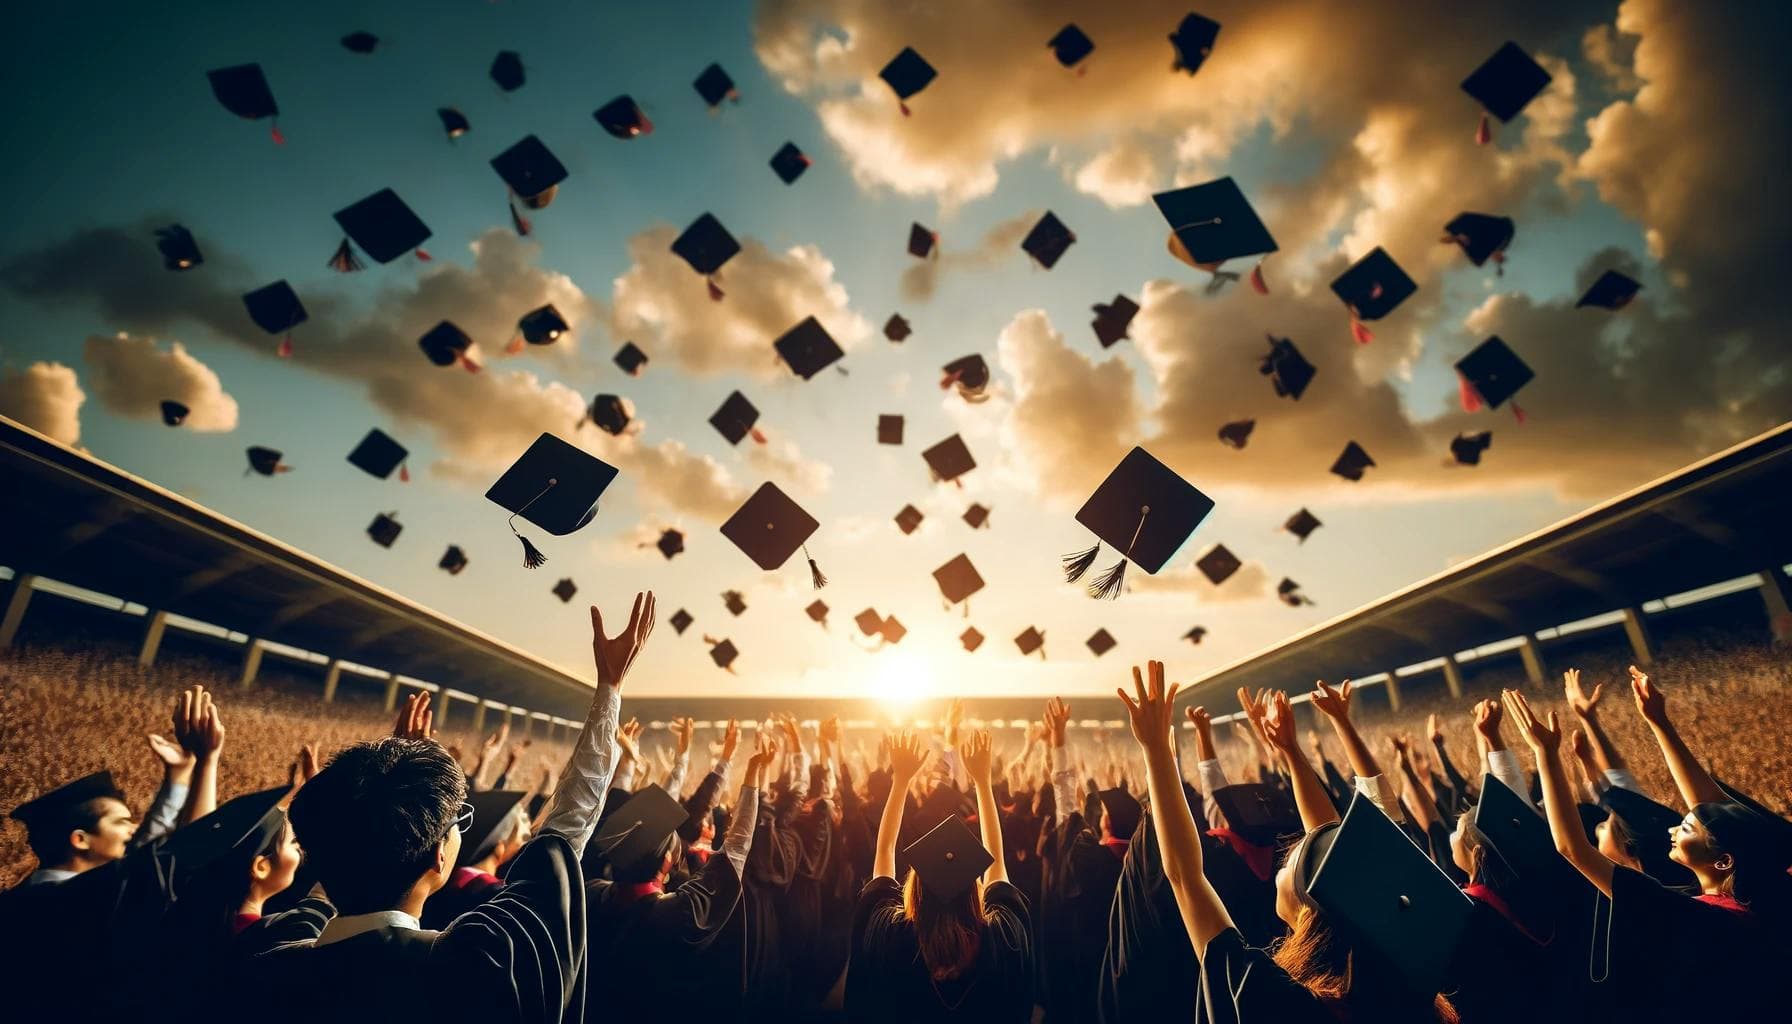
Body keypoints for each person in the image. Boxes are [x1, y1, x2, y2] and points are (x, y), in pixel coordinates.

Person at [238, 592, 655, 1024]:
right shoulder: (478, 970)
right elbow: (563, 837)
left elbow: (341, 842)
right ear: (439, 856)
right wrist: (610, 689)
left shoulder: (264, 970)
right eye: (456, 823)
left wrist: (398, 769)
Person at [1118, 662, 1461, 1023]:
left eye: (1290, 865)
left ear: (1308, 912)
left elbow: (1185, 877)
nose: (1283, 862)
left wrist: (1156, 753)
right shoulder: (1406, 995)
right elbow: (1336, 860)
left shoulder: (1274, 1002)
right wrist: (1291, 751)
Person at [1502, 676, 1790, 1017]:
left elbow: (1572, 848)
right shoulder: (1769, 885)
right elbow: (1710, 807)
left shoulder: (1694, 915)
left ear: (1724, 861)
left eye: (1684, 828)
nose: (1672, 826)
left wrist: (1546, 755)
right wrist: (1659, 722)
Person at [845, 729, 1034, 1022]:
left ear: (916, 890)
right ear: (974, 890)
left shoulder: (893, 934)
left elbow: (884, 852)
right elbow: (997, 865)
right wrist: (983, 783)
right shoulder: (999, 938)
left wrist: (901, 780)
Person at [584, 730, 776, 1016]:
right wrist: (753, 771)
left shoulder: (589, 893)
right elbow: (736, 849)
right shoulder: (680, 912)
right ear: (667, 862)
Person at [6, 684, 221, 885]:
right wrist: (206, 760)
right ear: (80, 839)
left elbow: (142, 845)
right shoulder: (81, 900)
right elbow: (189, 856)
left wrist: (180, 773)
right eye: (122, 823)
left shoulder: (41, 891)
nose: (135, 828)